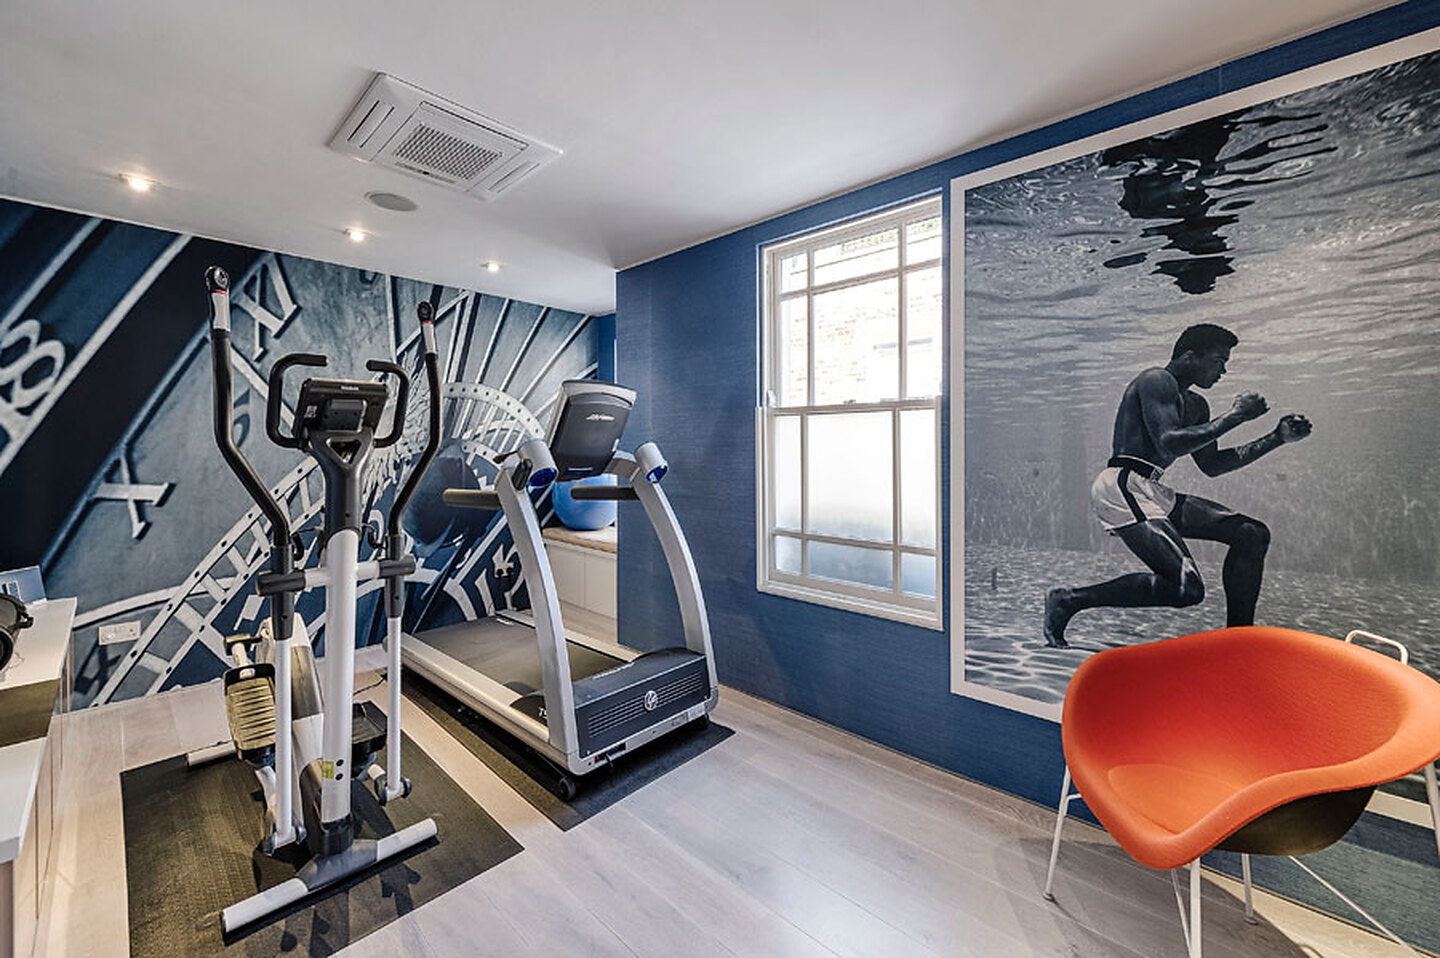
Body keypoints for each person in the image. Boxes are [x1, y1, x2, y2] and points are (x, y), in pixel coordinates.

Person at [1043, 323, 1311, 648]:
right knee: (1187, 589)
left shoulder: (1197, 406)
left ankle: (1237, 642)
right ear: (1189, 356)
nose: (1223, 371)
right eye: (1218, 361)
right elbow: (1169, 441)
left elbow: (1212, 465)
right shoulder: (1156, 379)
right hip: (1121, 486)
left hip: (1151, 489)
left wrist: (1276, 438)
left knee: (1251, 534)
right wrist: (1236, 416)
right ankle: (1068, 600)